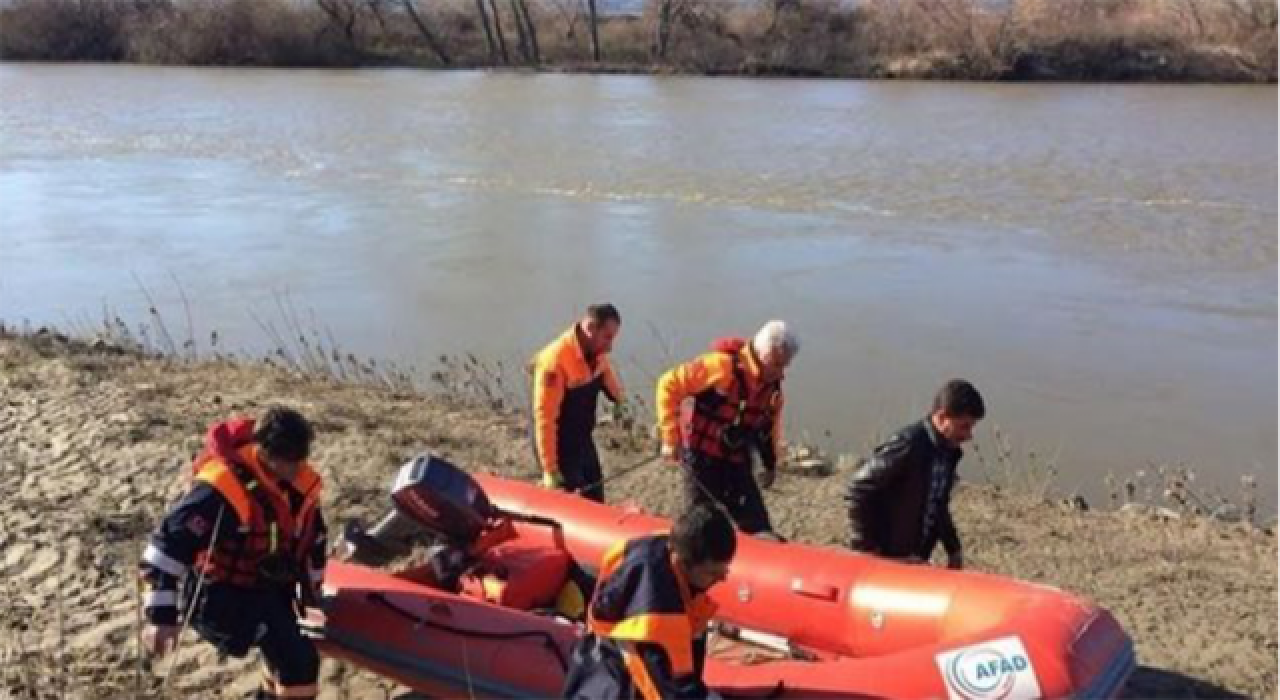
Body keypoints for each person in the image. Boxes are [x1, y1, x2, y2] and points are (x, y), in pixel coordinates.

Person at [140, 407, 327, 700]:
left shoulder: (298, 483)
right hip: (219, 597)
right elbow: (166, 546)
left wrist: (314, 591)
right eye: (289, 460)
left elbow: (313, 538)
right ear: (264, 452)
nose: (297, 468)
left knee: (288, 655)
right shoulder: (220, 491)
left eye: (300, 458)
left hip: (265, 588)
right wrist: (161, 618)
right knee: (299, 661)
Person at [563, 504, 735, 700]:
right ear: (681, 562)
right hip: (615, 679)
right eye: (713, 572)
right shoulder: (656, 611)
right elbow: (668, 687)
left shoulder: (672, 548)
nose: (722, 578)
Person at [655, 321, 797, 536]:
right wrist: (669, 439)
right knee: (700, 526)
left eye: (784, 366)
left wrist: (770, 465)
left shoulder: (774, 394)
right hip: (700, 458)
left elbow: (769, 431)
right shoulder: (721, 367)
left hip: (736, 462)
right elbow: (668, 385)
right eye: (776, 364)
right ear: (762, 353)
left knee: (758, 525)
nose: (780, 373)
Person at [845, 379, 986, 569]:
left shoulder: (948, 453)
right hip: (887, 554)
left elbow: (938, 504)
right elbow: (859, 488)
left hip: (914, 556)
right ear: (943, 417)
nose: (969, 436)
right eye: (964, 426)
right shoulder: (908, 445)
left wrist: (953, 549)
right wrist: (867, 548)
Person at [530, 303, 625, 503]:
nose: (610, 346)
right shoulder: (554, 362)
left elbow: (606, 376)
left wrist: (619, 401)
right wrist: (550, 470)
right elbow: (544, 420)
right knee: (573, 503)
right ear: (590, 328)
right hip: (560, 445)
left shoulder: (595, 353)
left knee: (596, 498)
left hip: (583, 440)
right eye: (607, 337)